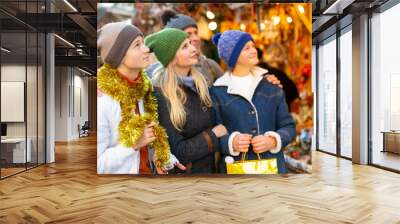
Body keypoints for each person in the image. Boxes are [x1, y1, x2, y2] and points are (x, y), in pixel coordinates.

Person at [97, 22, 185, 174]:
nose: (146, 49)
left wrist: (165, 157)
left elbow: (147, 137)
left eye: (143, 43)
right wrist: (133, 144)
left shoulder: (142, 89)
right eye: (137, 45)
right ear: (119, 55)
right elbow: (97, 164)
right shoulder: (103, 100)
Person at [210, 30, 296, 174]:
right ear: (233, 55)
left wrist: (273, 141)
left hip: (273, 170)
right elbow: (213, 134)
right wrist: (232, 142)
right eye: (246, 48)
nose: (254, 51)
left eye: (253, 46)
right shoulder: (217, 91)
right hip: (235, 173)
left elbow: (289, 127)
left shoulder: (271, 86)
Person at [145, 28, 228, 173]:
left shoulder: (202, 84)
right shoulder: (162, 94)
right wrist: (213, 134)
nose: (192, 48)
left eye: (190, 43)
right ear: (171, 57)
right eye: (184, 46)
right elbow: (177, 152)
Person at [146, 10, 223, 86]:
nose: (196, 38)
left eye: (196, 32)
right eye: (188, 34)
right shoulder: (155, 75)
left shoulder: (210, 66)